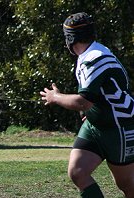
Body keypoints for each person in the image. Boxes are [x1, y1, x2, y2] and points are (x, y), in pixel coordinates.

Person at [40, 12, 134, 198]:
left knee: (127, 184)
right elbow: (96, 96)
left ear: (69, 40)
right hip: (95, 125)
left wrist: (55, 97)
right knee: (77, 172)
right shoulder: (89, 54)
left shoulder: (94, 57)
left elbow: (83, 101)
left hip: (119, 127)